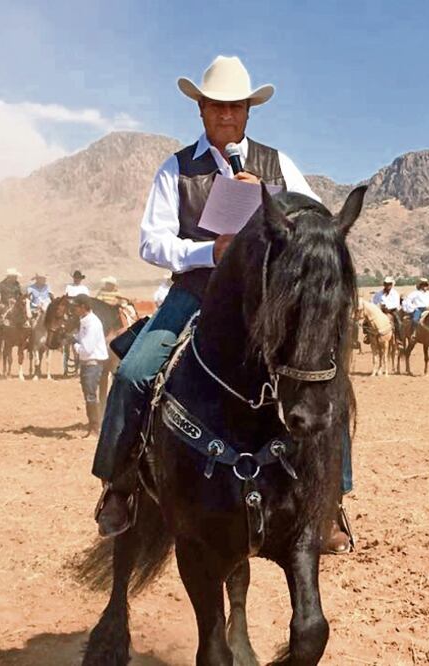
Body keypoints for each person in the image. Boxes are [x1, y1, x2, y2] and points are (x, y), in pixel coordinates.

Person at [91, 55, 344, 547]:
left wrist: (272, 195)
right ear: (200, 110)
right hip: (197, 290)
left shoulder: (278, 164)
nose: (226, 116)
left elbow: (318, 219)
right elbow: (152, 241)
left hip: (266, 301)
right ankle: (118, 485)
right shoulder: (177, 169)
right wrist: (211, 250)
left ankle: (333, 501)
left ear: (249, 112)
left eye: (236, 108)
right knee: (133, 374)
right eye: (216, 107)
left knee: (324, 378)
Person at [72, 296, 109, 437]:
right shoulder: (86, 321)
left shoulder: (92, 323)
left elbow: (86, 349)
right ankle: (93, 425)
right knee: (89, 395)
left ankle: (94, 428)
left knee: (90, 396)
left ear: (83, 306)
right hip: (89, 364)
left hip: (92, 364)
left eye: (76, 306)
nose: (74, 309)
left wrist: (74, 344)